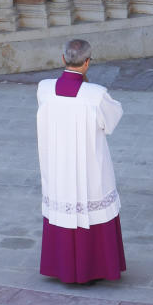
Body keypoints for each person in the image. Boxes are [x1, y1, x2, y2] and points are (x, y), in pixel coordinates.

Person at [36, 38, 126, 285]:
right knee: (90, 208)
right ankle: (92, 269)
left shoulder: (44, 89)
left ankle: (61, 267)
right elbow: (112, 121)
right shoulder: (96, 95)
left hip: (58, 164)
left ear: (63, 59)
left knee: (63, 207)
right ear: (87, 63)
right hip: (89, 167)